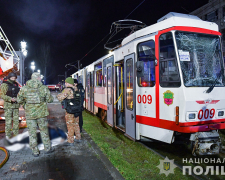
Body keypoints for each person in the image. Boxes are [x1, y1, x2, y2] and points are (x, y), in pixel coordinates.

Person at [17, 72, 54, 157]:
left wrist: (25, 105)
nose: (40, 79)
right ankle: (47, 149)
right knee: (44, 131)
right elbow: (50, 100)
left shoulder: (24, 88)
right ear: (38, 78)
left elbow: (19, 100)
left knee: (32, 133)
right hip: (42, 114)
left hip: (30, 115)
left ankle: (35, 151)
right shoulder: (44, 88)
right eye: (40, 77)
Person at [57, 77, 81, 145]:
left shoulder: (67, 90)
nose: (65, 84)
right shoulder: (76, 89)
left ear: (68, 83)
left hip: (70, 110)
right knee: (76, 124)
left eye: (66, 83)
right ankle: (78, 138)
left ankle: (70, 141)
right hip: (77, 109)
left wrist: (58, 95)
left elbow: (60, 98)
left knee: (70, 125)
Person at [0, 72, 20, 139]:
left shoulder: (16, 84)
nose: (13, 79)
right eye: (12, 78)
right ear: (9, 77)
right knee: (8, 122)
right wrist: (10, 99)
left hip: (16, 106)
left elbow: (18, 94)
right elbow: (2, 95)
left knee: (16, 121)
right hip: (8, 106)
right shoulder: (5, 85)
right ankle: (8, 135)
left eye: (14, 78)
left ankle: (15, 134)